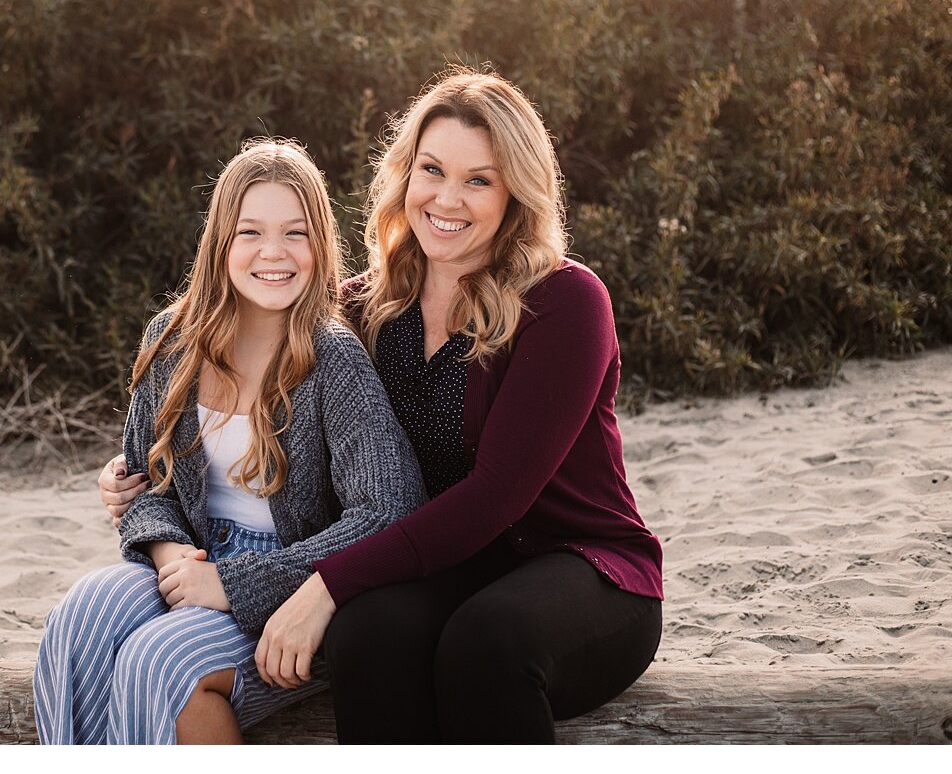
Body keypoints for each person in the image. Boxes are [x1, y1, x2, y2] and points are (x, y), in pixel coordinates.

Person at [99, 69, 663, 743]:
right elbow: (259, 386)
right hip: (442, 567)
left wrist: (326, 584)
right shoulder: (364, 306)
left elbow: (493, 499)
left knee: (486, 642)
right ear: (406, 174)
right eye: (432, 169)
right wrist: (136, 473)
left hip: (581, 566)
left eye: (479, 179)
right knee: (368, 635)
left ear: (516, 190)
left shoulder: (565, 301)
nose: (447, 198)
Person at [35, 137, 425, 745]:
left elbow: (388, 511)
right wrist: (171, 559)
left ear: (321, 246)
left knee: (156, 661)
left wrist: (234, 585)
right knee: (80, 616)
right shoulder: (171, 339)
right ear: (221, 242)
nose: (274, 253)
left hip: (291, 590)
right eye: (251, 232)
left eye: (296, 233)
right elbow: (145, 482)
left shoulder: (334, 359)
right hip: (187, 563)